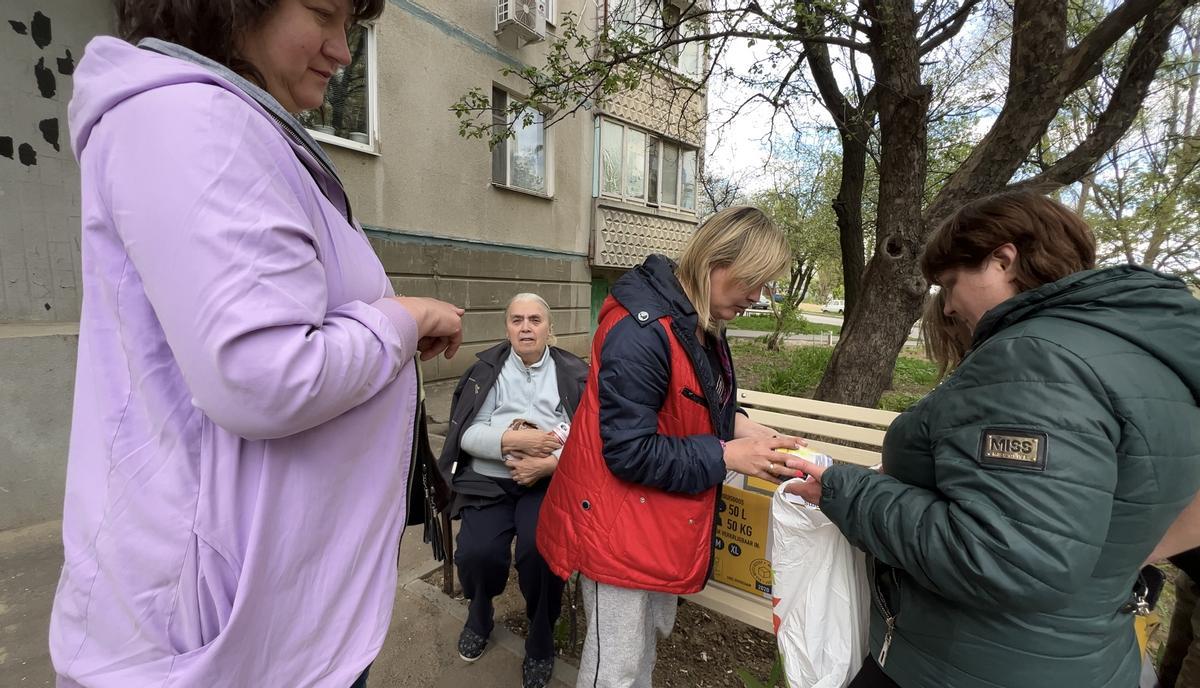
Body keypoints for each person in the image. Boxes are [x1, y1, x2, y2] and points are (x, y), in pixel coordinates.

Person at [49, 2, 465, 686]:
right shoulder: (193, 121)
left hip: (268, 621)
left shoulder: (226, 121)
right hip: (215, 638)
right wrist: (399, 321)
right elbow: (263, 375)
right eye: (325, 15)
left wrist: (380, 346)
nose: (343, 51)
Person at [784, 190, 1200, 688]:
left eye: (950, 283)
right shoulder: (1148, 358)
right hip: (1089, 656)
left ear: (1003, 260)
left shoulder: (1032, 360)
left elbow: (1007, 557)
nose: (950, 305)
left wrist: (844, 488)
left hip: (962, 662)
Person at [536, 206, 806, 688]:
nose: (758, 297)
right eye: (755, 281)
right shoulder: (642, 331)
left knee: (641, 653)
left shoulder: (697, 320)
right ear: (717, 262)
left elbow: (687, 402)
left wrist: (742, 427)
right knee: (614, 671)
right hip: (617, 529)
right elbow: (629, 452)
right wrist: (726, 455)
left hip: (654, 522)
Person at [437, 293, 588, 688]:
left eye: (535, 320)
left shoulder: (572, 372)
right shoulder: (485, 370)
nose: (526, 328)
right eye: (517, 320)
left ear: (548, 328)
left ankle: (541, 634)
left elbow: (589, 433)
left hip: (548, 481)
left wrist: (548, 463)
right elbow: (468, 433)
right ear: (507, 327)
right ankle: (480, 610)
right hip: (489, 478)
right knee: (477, 553)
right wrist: (516, 442)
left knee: (540, 553)